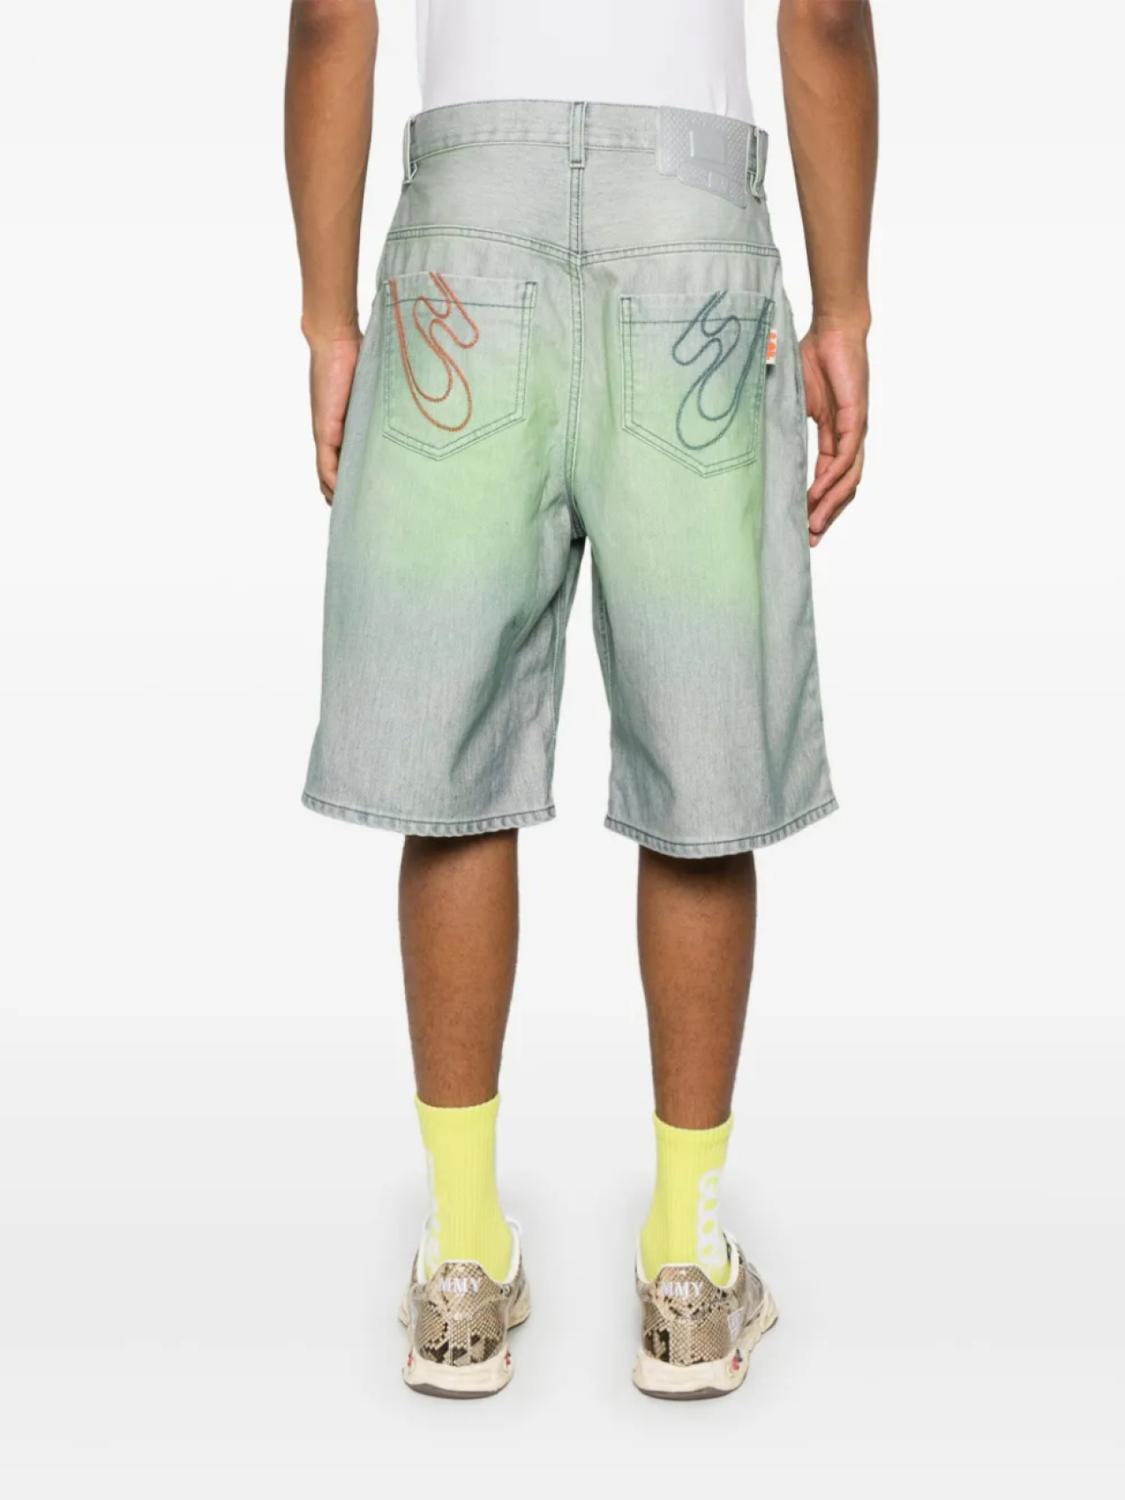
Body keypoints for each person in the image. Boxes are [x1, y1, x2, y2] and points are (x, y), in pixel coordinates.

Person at [285, 0, 876, 1399]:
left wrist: (325, 320)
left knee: (449, 763)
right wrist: (845, 307)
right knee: (701, 763)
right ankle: (688, 1277)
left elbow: (326, 22)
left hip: (463, 234)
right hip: (692, 230)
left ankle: (461, 1271)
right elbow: (826, 19)